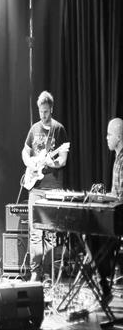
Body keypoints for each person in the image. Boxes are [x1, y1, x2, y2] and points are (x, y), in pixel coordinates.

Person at [21, 91, 68, 282]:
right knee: (35, 232)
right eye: (41, 111)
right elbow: (25, 151)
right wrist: (30, 164)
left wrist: (51, 163)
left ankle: (48, 273)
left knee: (50, 233)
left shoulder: (59, 129)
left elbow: (63, 159)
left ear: (52, 109)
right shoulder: (34, 129)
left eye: (46, 112)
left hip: (53, 188)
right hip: (35, 187)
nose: (43, 115)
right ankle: (35, 271)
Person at [88, 117, 123, 304]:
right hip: (117, 213)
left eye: (109, 134)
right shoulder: (117, 159)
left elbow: (121, 198)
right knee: (90, 232)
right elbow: (116, 194)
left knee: (92, 234)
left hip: (120, 217)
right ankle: (103, 281)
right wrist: (101, 197)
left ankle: (103, 280)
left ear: (119, 137)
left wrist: (105, 199)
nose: (106, 138)